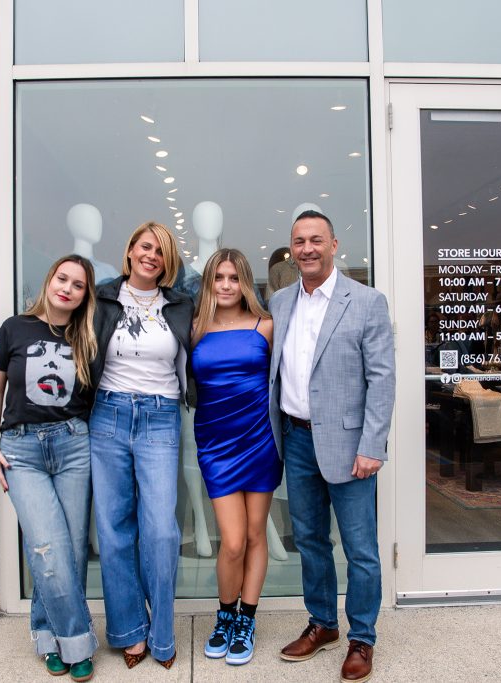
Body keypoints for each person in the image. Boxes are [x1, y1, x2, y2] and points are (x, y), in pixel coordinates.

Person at [268, 210, 395, 683]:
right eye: (299, 241)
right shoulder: (279, 302)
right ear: (292, 248)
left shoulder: (365, 301)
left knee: (360, 548)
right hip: (296, 439)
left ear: (334, 244)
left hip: (349, 444)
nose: (307, 249)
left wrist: (373, 444)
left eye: (316, 240)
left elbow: (382, 379)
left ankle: (362, 637)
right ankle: (323, 624)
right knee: (310, 540)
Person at [0, 255, 100, 682]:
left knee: (67, 550)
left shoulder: (88, 336)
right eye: (62, 278)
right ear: (49, 279)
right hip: (21, 449)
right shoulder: (14, 328)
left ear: (86, 295)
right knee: (47, 547)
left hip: (73, 446)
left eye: (78, 285)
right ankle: (77, 641)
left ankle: (46, 635)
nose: (67, 288)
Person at [89, 221, 193, 669]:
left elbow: (228, 322)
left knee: (161, 530)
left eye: (161, 252)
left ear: (168, 263)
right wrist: (7, 344)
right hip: (107, 414)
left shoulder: (181, 304)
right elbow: (55, 324)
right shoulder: (102, 298)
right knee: (114, 529)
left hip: (160, 416)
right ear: (130, 250)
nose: (152, 256)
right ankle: (130, 630)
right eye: (145, 247)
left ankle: (163, 633)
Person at [190, 248, 283, 666]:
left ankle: (246, 618)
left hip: (260, 441)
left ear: (244, 282)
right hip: (215, 444)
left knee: (254, 535)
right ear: (209, 282)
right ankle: (224, 614)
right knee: (230, 541)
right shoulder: (193, 328)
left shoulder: (266, 325)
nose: (226, 285)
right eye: (218, 278)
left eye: (233, 278)